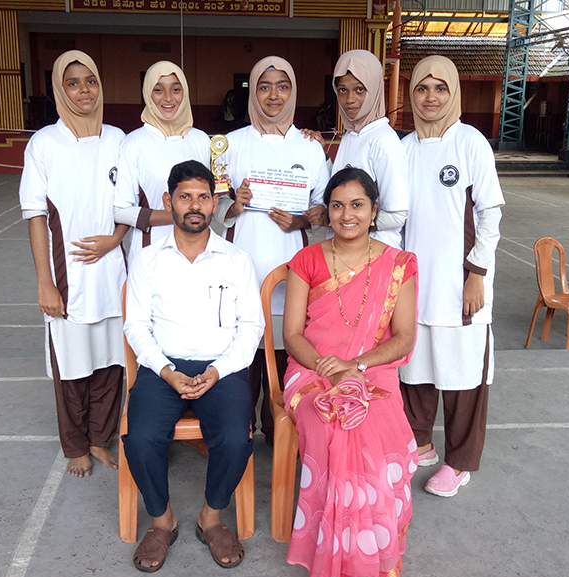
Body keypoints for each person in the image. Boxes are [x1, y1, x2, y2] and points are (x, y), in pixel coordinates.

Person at [122, 160, 264, 573]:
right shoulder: (147, 260)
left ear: (215, 203)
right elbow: (136, 326)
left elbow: (251, 327)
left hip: (221, 369)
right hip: (163, 369)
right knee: (141, 436)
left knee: (236, 437)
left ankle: (211, 517)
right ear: (169, 202)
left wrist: (218, 370)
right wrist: (166, 371)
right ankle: (162, 520)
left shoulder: (236, 259)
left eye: (204, 197)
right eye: (185, 197)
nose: (195, 206)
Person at [282, 167, 419, 577]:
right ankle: (334, 543)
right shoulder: (307, 259)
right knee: (328, 418)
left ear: (374, 211)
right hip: (311, 369)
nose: (347, 215)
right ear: (327, 211)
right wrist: (328, 366)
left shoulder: (398, 264)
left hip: (371, 369)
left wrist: (355, 365)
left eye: (357, 205)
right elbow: (292, 336)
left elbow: (403, 338)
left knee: (368, 420)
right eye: (337, 205)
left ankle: (366, 545)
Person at [399, 55, 504, 498]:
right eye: (422, 88)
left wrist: (476, 273)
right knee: (415, 370)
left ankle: (459, 463)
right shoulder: (404, 148)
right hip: (414, 283)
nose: (430, 97)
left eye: (440, 88)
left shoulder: (470, 142)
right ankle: (420, 445)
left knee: (462, 376)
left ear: (453, 92)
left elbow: (490, 215)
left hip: (460, 285)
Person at [19, 50, 127, 478]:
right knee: (72, 364)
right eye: (73, 83)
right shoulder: (45, 143)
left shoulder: (118, 139)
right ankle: (76, 445)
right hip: (67, 275)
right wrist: (45, 282)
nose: (84, 90)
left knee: (111, 361)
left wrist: (114, 239)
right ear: (59, 91)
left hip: (112, 269)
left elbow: (129, 204)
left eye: (91, 81)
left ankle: (100, 439)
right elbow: (35, 215)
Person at [216, 56, 329, 446]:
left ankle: (279, 433)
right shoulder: (231, 145)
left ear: (293, 92)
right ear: (252, 92)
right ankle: (238, 432)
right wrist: (234, 205)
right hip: (242, 268)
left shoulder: (309, 147)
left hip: (290, 270)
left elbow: (323, 209)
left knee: (284, 355)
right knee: (242, 357)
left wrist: (302, 221)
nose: (274, 95)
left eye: (283, 86)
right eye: (264, 86)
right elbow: (212, 208)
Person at [304, 49, 408, 249]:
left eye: (359, 89)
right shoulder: (352, 134)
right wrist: (320, 154)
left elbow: (396, 216)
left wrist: (341, 219)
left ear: (374, 89)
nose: (349, 99)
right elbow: (343, 183)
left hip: (375, 254)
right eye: (343, 90)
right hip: (346, 252)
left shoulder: (384, 141)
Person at [114, 61, 210, 265]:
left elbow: (209, 199)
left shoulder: (201, 140)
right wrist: (179, 215)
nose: (168, 98)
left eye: (176, 89)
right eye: (158, 90)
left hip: (199, 253)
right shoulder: (135, 142)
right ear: (147, 94)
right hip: (151, 255)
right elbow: (121, 210)